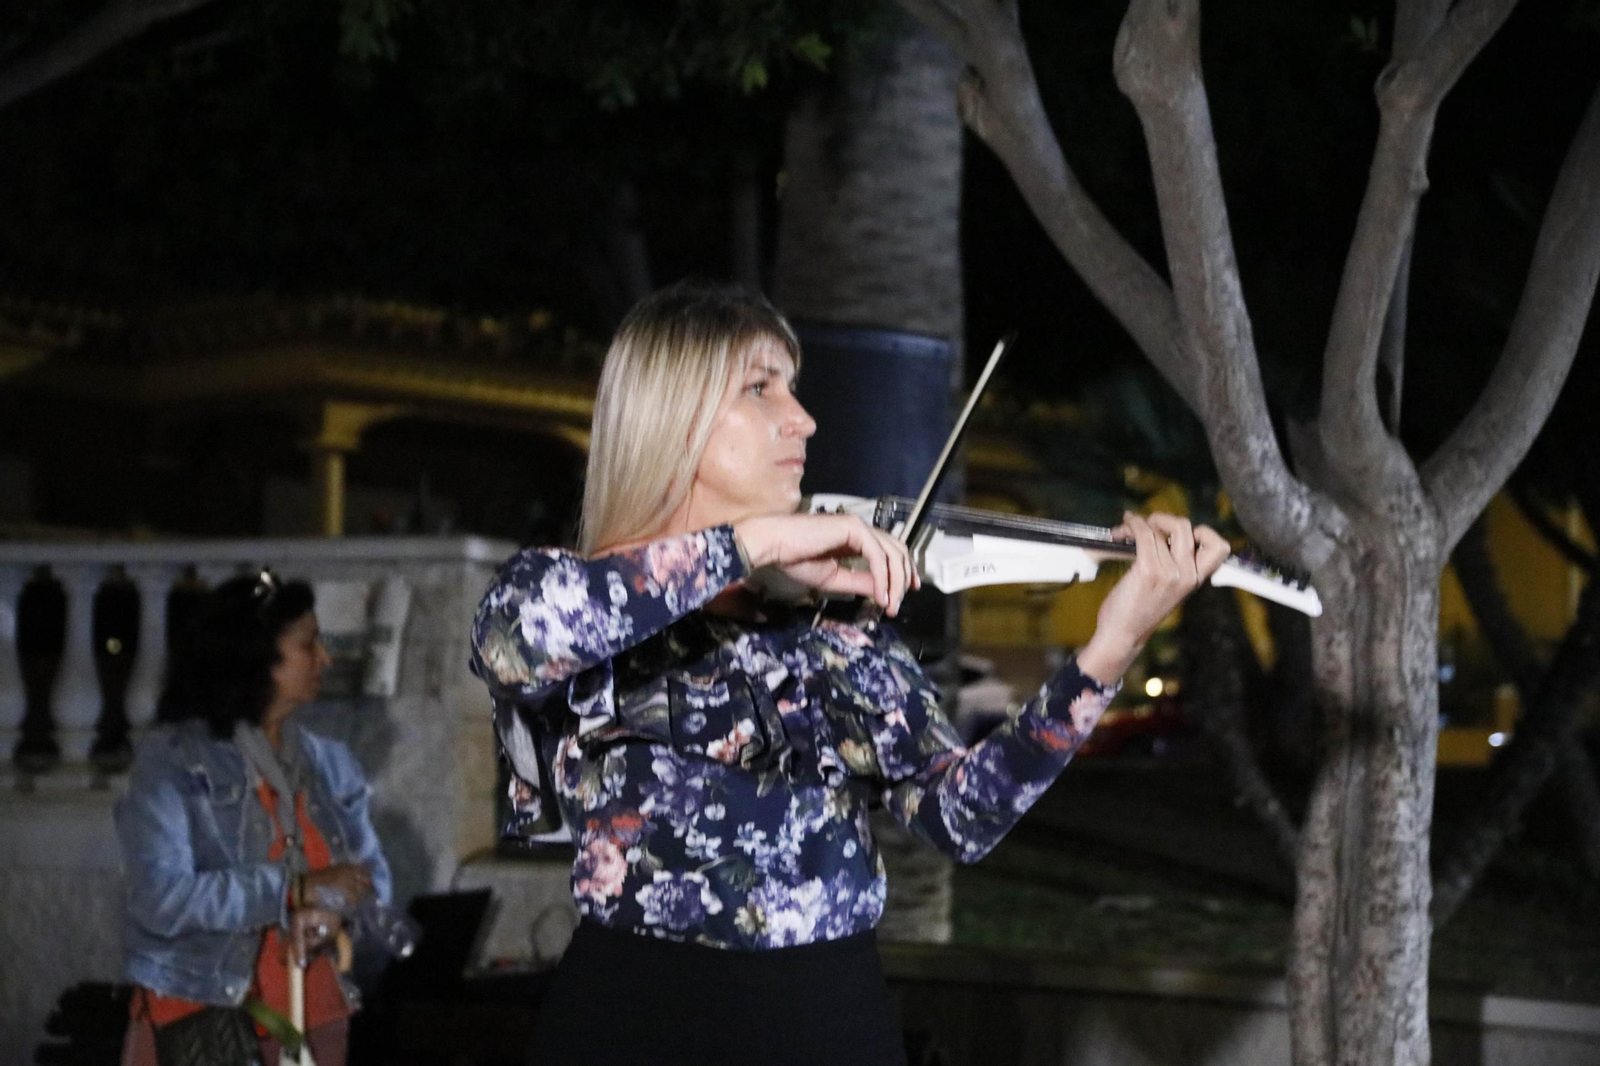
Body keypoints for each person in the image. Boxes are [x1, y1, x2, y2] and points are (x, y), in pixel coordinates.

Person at [470, 281, 1229, 1066]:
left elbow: (961, 816)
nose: (803, 419)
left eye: (793, 390)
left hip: (828, 1018)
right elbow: (510, 643)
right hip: (640, 1018)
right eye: (761, 389)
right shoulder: (571, 596)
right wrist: (757, 542)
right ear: (673, 416)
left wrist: (1110, 647)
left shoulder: (837, 628)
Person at [116, 572, 392, 1066]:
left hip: (315, 1023)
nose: (324, 658)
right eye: (309, 645)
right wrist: (290, 891)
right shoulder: (174, 761)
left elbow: (371, 882)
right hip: (208, 1028)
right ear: (256, 658)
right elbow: (160, 899)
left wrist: (334, 911)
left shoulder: (327, 764)